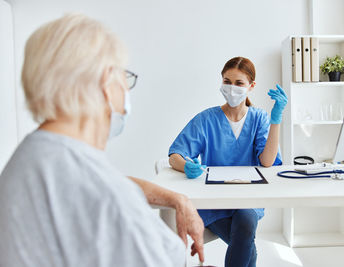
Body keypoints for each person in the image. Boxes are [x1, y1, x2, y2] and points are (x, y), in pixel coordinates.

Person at [0, 14, 204, 267]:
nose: (127, 91)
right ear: (106, 82)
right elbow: (104, 190)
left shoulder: (33, 156)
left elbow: (102, 183)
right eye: (124, 77)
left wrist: (178, 198)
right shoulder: (102, 193)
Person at [168, 56, 287, 267]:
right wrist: (186, 165)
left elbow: (267, 162)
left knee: (246, 221)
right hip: (215, 204)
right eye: (227, 81)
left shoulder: (259, 118)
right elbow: (175, 154)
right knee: (246, 239)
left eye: (239, 83)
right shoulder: (206, 119)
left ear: (251, 86)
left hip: (247, 200)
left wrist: (276, 120)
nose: (232, 88)